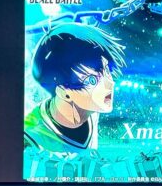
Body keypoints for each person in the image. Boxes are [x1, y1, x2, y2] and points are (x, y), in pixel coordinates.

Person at [24, 22, 125, 154]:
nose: (110, 83)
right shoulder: (32, 140)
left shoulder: (90, 109)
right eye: (92, 80)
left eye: (107, 71)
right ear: (63, 92)